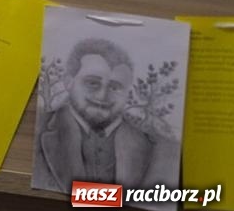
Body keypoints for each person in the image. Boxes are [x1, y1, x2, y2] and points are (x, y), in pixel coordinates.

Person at [32, 38, 180, 191]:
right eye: (92, 83)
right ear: (69, 82)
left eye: (115, 87)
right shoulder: (35, 130)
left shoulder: (164, 150)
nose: (102, 96)